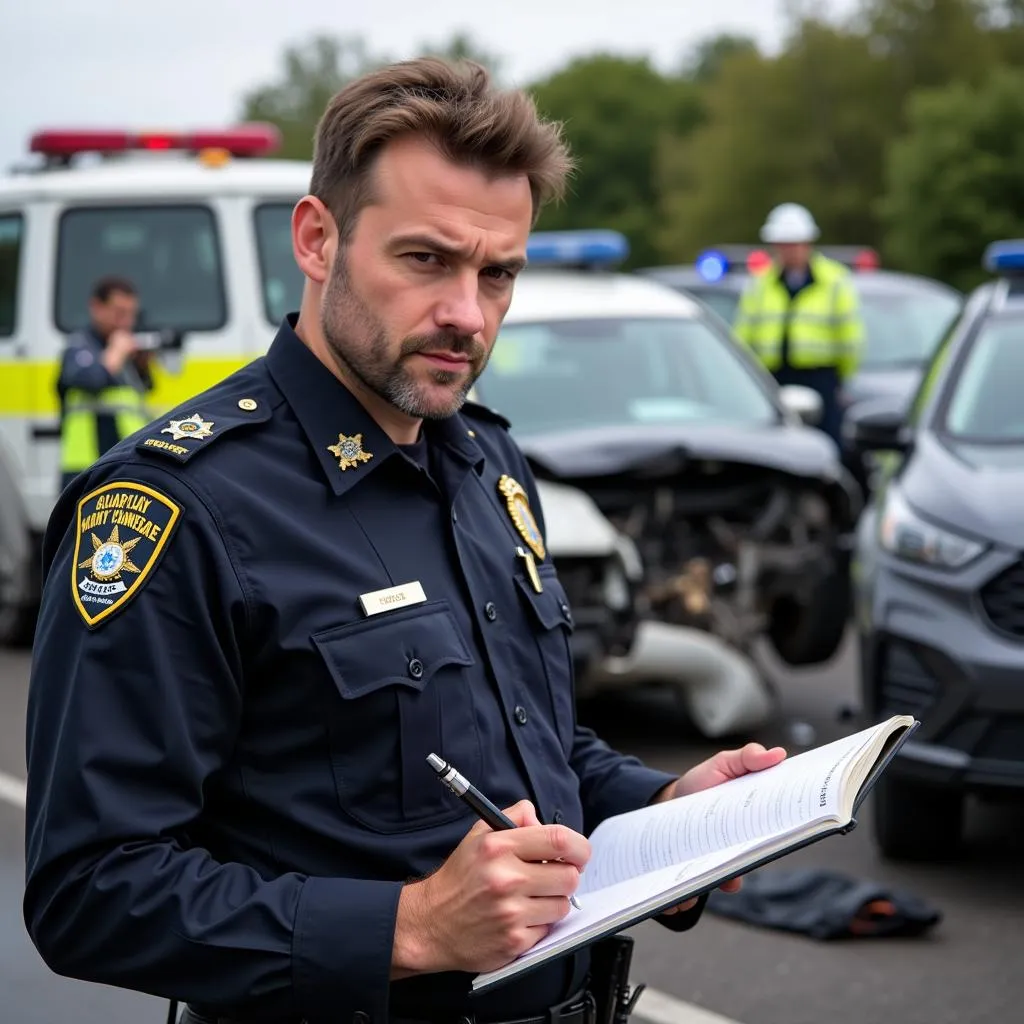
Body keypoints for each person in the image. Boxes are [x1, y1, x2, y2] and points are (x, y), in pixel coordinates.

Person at [23, 58, 787, 1024]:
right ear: (317, 239)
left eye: (498, 273)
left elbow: (526, 748)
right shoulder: (177, 508)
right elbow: (89, 890)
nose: (468, 315)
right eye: (426, 260)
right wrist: (411, 926)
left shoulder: (488, 464)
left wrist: (663, 806)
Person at [733, 203, 865, 448]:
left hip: (820, 377)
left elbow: (850, 339)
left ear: (808, 243)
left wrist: (840, 380)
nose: (789, 251)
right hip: (771, 378)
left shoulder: (834, 281)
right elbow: (743, 337)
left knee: (827, 444)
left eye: (794, 244)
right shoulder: (759, 283)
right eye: (783, 244)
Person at [56, 275, 154, 490]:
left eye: (131, 314)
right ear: (96, 307)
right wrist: (116, 353)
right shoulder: (80, 347)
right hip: (84, 468)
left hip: (124, 463)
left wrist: (141, 366)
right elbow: (90, 380)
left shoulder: (122, 350)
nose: (126, 322)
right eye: (119, 313)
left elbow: (141, 396)